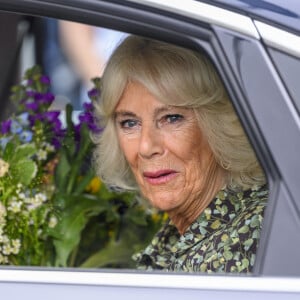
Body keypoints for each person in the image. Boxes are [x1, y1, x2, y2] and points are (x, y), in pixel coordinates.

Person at [93, 35, 268, 273]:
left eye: (171, 118)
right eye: (129, 123)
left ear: (219, 125)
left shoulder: (251, 238)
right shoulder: (186, 233)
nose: (146, 147)